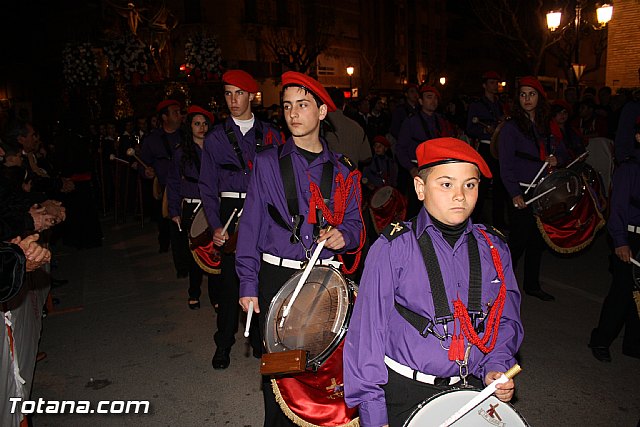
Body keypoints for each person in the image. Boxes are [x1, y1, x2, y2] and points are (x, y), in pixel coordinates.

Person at [344, 137, 523, 427]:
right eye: (446, 184)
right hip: (404, 391)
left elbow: (506, 318)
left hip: (472, 387)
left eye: (470, 184)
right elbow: (366, 336)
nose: (460, 196)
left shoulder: (495, 248)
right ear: (420, 188)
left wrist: (496, 365)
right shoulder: (393, 247)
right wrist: (373, 415)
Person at [236, 71, 364, 426]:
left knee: (321, 375)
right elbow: (250, 226)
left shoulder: (343, 170)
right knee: (279, 374)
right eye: (288, 106)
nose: (293, 114)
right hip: (276, 276)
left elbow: (355, 222)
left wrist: (345, 236)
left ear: (322, 112)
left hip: (323, 281)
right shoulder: (266, 163)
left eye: (303, 105)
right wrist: (247, 284)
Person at [199, 70, 283, 370]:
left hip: (264, 211)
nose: (232, 100)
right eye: (228, 93)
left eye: (238, 93)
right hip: (230, 212)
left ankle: (262, 339)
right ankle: (223, 343)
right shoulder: (215, 138)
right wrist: (215, 225)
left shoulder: (273, 135)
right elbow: (207, 187)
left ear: (251, 96)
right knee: (229, 283)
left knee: (264, 277)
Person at [498, 76, 569, 301]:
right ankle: (499, 285)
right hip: (522, 190)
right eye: (523, 94)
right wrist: (514, 193)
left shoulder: (548, 125)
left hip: (544, 190)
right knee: (518, 240)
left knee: (538, 240)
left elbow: (565, 151)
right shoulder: (510, 127)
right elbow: (505, 165)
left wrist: (557, 158)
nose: (527, 99)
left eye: (532, 94)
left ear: (540, 97)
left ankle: (531, 284)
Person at [588, 121, 640, 362]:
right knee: (621, 291)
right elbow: (617, 208)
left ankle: (632, 343)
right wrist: (620, 240)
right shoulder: (629, 169)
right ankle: (600, 340)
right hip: (628, 236)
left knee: (638, 295)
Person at [166, 105, 222, 310]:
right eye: (197, 123)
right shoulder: (181, 152)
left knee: (216, 252)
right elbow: (172, 183)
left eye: (205, 123)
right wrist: (174, 211)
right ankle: (194, 292)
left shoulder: (216, 150)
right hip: (191, 207)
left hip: (213, 207)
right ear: (190, 126)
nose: (202, 127)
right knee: (195, 252)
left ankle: (216, 296)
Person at [396, 85, 456, 217]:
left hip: (437, 168)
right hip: (417, 169)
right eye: (429, 97)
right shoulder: (411, 121)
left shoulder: (442, 121)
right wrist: (411, 168)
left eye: (435, 98)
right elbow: (400, 149)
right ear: (421, 101)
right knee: (415, 210)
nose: (433, 101)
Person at [140, 100, 183, 254]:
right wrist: (146, 171)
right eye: (175, 112)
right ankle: (164, 242)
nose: (180, 115)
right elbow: (143, 163)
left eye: (180, 111)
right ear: (165, 117)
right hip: (164, 186)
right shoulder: (152, 139)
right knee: (164, 221)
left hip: (185, 185)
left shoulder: (185, 134)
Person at [466, 71, 507, 227]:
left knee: (500, 186)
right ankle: (474, 220)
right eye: (491, 82)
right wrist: (484, 131)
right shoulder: (476, 105)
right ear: (484, 85)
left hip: (499, 149)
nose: (495, 86)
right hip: (485, 147)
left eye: (496, 83)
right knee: (481, 187)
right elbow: (470, 128)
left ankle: (498, 221)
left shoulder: (500, 105)